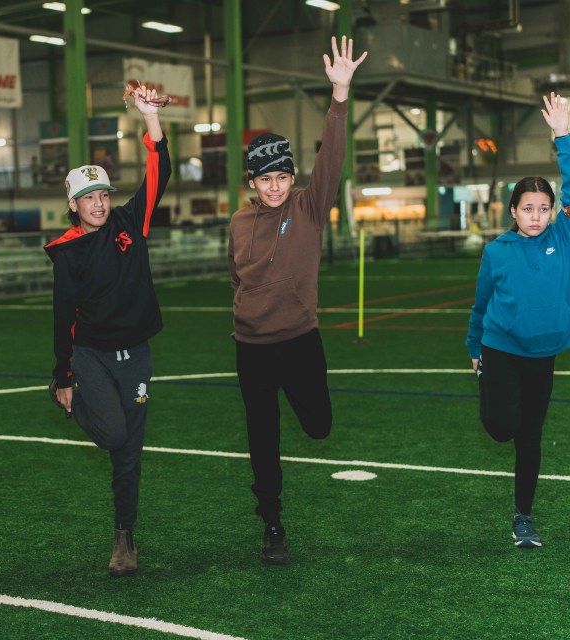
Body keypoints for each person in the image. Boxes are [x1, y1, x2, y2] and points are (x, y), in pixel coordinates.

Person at [228, 36, 366, 566]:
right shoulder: (239, 221)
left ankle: (304, 407)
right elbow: (235, 275)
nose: (275, 187)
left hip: (301, 342)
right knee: (263, 440)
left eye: (283, 177)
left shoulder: (309, 208)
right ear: (253, 181)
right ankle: (272, 523)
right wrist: (247, 311)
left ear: (292, 177)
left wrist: (339, 96)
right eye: (266, 179)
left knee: (319, 426)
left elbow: (332, 157)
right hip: (252, 348)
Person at [45, 82, 170, 577]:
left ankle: (124, 536)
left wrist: (150, 119)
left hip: (135, 355)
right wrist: (63, 375)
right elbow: (63, 316)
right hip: (91, 356)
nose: (98, 203)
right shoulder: (67, 251)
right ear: (73, 204)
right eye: (87, 198)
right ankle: (74, 402)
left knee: (129, 455)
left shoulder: (130, 223)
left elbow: (159, 173)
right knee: (114, 434)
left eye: (102, 195)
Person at [466, 93, 570, 549]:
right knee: (502, 429)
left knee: (530, 438)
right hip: (501, 348)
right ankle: (491, 389)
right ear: (513, 211)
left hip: (544, 353)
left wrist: (563, 136)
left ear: (552, 212)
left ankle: (523, 517)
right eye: (527, 208)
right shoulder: (497, 250)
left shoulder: (565, 236)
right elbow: (481, 304)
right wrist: (474, 348)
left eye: (543, 208)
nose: (536, 216)